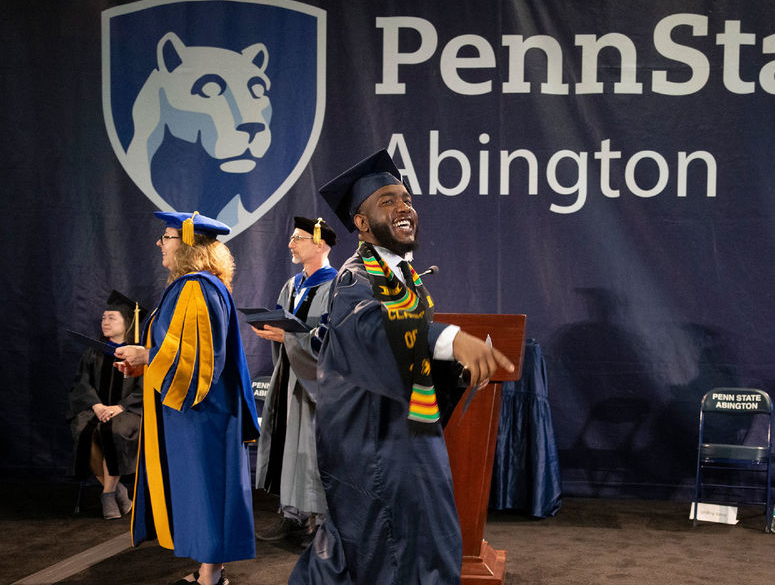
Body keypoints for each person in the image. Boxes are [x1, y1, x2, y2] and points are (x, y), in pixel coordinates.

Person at [290, 150, 514, 584]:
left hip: (402, 443)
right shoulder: (356, 280)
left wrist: (459, 370)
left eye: (407, 198)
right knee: (392, 559)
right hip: (377, 452)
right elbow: (377, 332)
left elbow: (410, 353)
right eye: (388, 200)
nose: (404, 206)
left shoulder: (402, 278)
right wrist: (451, 339)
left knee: (415, 551)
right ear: (360, 223)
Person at [114, 211, 260, 585]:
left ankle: (210, 578)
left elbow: (199, 358)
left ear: (188, 245)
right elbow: (182, 350)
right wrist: (145, 364)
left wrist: (147, 356)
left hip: (201, 413)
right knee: (205, 491)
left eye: (167, 237)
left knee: (207, 491)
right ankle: (210, 570)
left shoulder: (196, 287)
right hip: (199, 410)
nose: (160, 244)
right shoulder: (201, 286)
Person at [253, 216, 338, 545]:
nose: (290, 244)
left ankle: (319, 526)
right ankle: (292, 518)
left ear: (320, 243)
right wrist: (269, 330)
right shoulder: (292, 286)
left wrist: (287, 337)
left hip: (318, 384)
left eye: (298, 238)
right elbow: (283, 324)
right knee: (290, 447)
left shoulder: (337, 286)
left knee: (312, 450)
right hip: (288, 377)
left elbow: (333, 338)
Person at [67, 290, 145, 520]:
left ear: (128, 322)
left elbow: (145, 389)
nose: (105, 321)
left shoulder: (139, 354)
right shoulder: (94, 352)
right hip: (97, 408)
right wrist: (97, 406)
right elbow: (81, 384)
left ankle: (107, 495)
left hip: (130, 411)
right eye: (103, 317)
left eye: (112, 317)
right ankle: (114, 490)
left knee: (115, 430)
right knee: (84, 430)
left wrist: (120, 407)